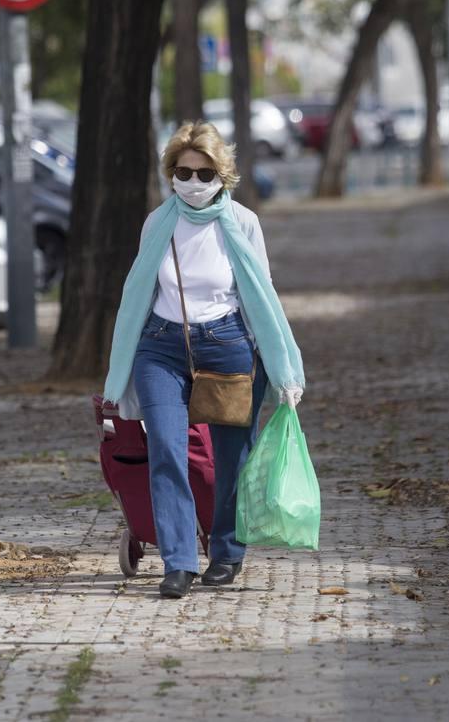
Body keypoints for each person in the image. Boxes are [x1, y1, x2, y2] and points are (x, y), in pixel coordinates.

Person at [104, 122, 305, 598]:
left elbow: (261, 294)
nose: (192, 184)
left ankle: (228, 552)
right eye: (183, 173)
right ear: (170, 173)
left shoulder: (244, 223)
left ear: (223, 175)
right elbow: (139, 293)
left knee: (231, 457)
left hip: (228, 344)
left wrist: (280, 367)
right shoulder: (158, 222)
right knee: (168, 453)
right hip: (160, 346)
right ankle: (177, 562)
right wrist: (123, 361)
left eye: (203, 174)